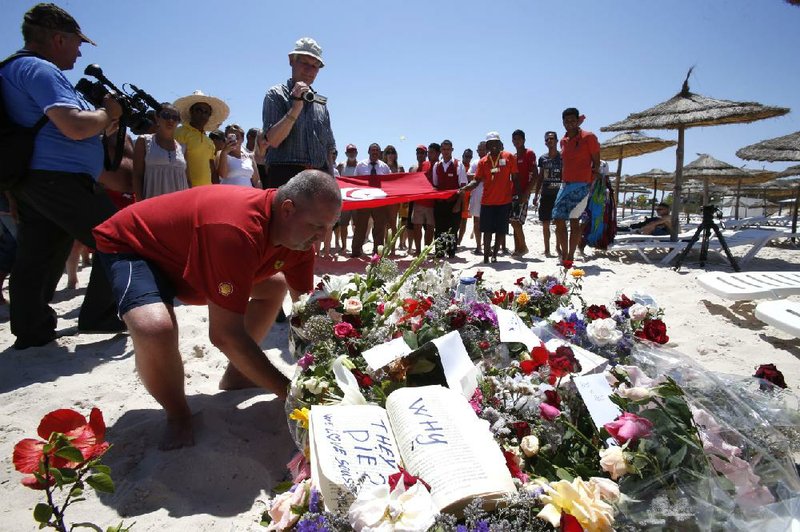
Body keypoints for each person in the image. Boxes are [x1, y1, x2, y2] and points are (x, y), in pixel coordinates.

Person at [92, 170, 341, 449]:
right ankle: (177, 414)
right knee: (154, 329)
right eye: (317, 226)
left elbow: (304, 310)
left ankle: (237, 375)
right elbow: (224, 335)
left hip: (187, 254)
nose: (323, 237)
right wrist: (290, 394)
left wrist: (339, 365)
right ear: (287, 209)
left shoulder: (298, 240)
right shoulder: (236, 230)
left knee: (274, 287)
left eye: (329, 227)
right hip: (135, 247)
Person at [2, 3, 125, 348]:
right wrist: (106, 113)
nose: (80, 49)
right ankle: (99, 316)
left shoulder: (13, 68)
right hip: (59, 177)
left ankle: (32, 330)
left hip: (36, 179)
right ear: (58, 39)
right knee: (118, 236)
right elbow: (73, 126)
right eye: (77, 41)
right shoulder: (39, 69)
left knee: (38, 254)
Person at [263, 37, 336, 188]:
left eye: (315, 66)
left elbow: (329, 147)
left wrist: (331, 181)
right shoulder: (276, 94)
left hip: (319, 178)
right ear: (291, 60)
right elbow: (273, 141)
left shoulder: (320, 103)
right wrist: (296, 107)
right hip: (286, 177)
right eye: (304, 63)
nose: (310, 70)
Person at [461, 132, 519, 264]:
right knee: (486, 230)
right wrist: (466, 188)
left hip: (504, 201)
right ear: (487, 145)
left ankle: (494, 255)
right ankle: (486, 256)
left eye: (496, 143)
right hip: (487, 201)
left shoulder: (509, 157)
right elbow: (476, 181)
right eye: (491, 144)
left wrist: (519, 196)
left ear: (500, 144)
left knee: (501, 230)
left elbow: (515, 178)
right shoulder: (483, 162)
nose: (494, 146)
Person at [553, 108, 601, 264]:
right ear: (563, 122)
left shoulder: (589, 137)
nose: (569, 124)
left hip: (582, 185)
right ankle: (565, 253)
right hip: (565, 184)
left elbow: (596, 161)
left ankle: (570, 256)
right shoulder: (563, 141)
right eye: (566, 121)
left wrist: (589, 180)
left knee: (574, 220)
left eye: (572, 120)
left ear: (577, 120)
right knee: (559, 219)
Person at [132, 102, 188, 200]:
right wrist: (139, 203)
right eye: (166, 116)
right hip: (153, 203)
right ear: (157, 117)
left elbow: (186, 179)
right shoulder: (144, 141)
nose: (171, 120)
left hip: (180, 204)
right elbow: (137, 175)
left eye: (175, 118)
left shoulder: (182, 148)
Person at [174, 91, 229, 188]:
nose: (203, 114)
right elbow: (176, 163)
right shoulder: (180, 133)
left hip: (206, 192)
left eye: (206, 112)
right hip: (185, 189)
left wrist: (216, 188)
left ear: (209, 116)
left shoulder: (209, 141)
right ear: (191, 112)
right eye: (199, 110)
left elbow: (211, 168)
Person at [351, 143, 391, 257]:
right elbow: (354, 183)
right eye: (372, 150)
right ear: (368, 152)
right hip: (364, 200)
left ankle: (378, 253)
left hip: (379, 201)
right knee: (360, 227)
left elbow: (390, 183)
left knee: (379, 227)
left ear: (380, 153)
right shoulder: (360, 165)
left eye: (377, 151)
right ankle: (356, 251)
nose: (374, 152)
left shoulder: (384, 167)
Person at [432, 140, 468, 258]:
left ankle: (451, 253)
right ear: (441, 150)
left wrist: (458, 204)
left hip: (454, 203)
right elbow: (435, 185)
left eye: (448, 149)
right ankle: (440, 253)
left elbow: (463, 187)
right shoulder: (436, 166)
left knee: (452, 230)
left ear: (452, 150)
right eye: (444, 149)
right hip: (440, 203)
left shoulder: (459, 165)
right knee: (439, 229)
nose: (446, 152)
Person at [510, 129, 538, 257]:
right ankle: (518, 249)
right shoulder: (513, 157)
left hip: (523, 193)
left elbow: (535, 175)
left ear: (524, 140)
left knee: (516, 221)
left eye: (519, 139)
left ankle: (524, 246)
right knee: (514, 221)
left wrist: (527, 193)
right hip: (513, 192)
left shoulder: (529, 153)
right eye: (514, 139)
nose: (517, 141)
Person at [535, 131, 563, 257]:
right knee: (545, 223)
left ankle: (558, 247)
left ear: (557, 141)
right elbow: (540, 177)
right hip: (546, 194)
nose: (550, 141)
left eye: (552, 139)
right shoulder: (542, 158)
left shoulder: (562, 157)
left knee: (559, 223)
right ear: (545, 142)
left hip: (559, 194)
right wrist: (536, 195)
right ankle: (547, 250)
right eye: (547, 139)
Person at [412, 143, 439, 254]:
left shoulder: (441, 165)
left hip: (433, 203)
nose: (429, 154)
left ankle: (426, 252)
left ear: (438, 153)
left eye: (431, 152)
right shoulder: (423, 165)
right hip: (420, 201)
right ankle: (418, 250)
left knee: (430, 228)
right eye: (428, 152)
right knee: (417, 227)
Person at [407, 144, 431, 255]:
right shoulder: (413, 168)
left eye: (422, 153)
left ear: (426, 154)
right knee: (415, 226)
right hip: (416, 200)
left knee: (429, 228)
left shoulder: (431, 166)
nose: (420, 155)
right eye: (418, 153)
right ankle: (416, 249)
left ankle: (426, 250)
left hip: (430, 201)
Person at [335, 143, 358, 255]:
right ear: (346, 153)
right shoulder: (341, 166)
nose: (352, 153)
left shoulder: (360, 166)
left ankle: (356, 246)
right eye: (350, 151)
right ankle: (344, 246)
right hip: (345, 200)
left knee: (357, 225)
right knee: (343, 225)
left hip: (358, 199)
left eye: (353, 151)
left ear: (357, 153)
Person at [383, 145, 405, 253]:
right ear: (385, 155)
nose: (390, 154)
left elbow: (404, 183)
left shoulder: (400, 168)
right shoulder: (381, 166)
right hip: (382, 197)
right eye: (388, 152)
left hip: (394, 198)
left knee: (392, 222)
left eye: (392, 152)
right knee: (383, 223)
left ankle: (392, 248)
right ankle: (385, 246)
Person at [468, 141, 487, 255]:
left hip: (489, 195)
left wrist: (478, 177)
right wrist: (480, 177)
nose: (481, 151)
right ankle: (478, 246)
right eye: (479, 149)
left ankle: (486, 246)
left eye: (483, 149)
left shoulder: (491, 161)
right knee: (476, 222)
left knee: (488, 222)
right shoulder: (475, 162)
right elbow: (468, 175)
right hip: (476, 195)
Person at [458, 148, 473, 246]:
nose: (468, 158)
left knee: (464, 221)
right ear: (462, 156)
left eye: (470, 157)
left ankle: (459, 242)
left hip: (468, 198)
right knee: (456, 220)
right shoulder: (459, 166)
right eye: (466, 156)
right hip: (459, 197)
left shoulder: (472, 167)